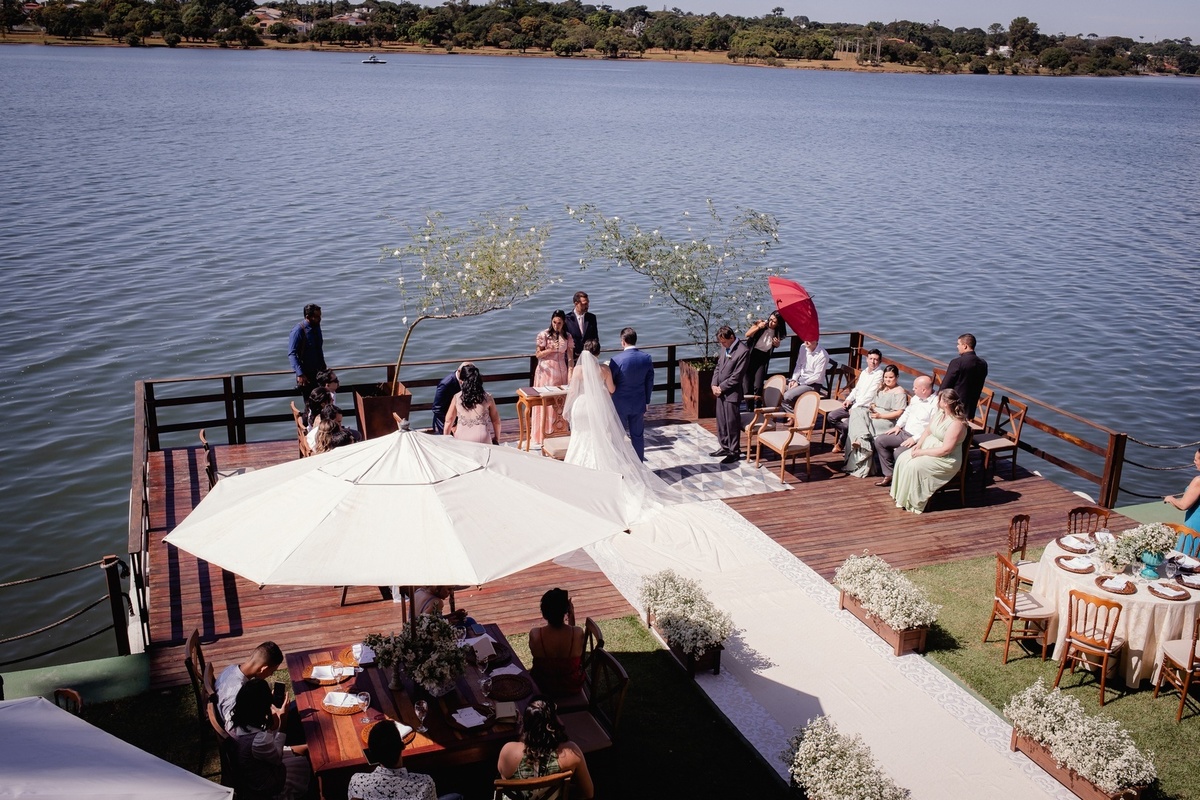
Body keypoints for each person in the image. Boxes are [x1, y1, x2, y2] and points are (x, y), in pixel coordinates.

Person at [564, 342, 675, 519]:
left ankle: (575, 480)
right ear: (598, 353)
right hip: (597, 408)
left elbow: (572, 392)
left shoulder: (577, 371)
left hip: (580, 407)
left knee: (578, 438)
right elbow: (612, 389)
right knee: (598, 439)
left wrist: (567, 410)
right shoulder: (604, 370)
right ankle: (601, 477)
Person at [496, 697, 594, 800]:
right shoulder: (571, 753)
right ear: (553, 724)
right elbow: (588, 793)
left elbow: (504, 781)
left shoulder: (508, 751)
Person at [229, 678, 311, 800]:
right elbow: (277, 758)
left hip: (254, 769)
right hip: (266, 782)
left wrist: (272, 718)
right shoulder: (258, 740)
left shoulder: (236, 722)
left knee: (305, 753)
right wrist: (283, 722)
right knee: (305, 765)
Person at [890, 388, 969, 514]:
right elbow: (927, 430)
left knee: (914, 466)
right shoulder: (940, 413)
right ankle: (902, 496)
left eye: (940, 400)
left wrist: (921, 453)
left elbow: (946, 449)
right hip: (928, 449)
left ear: (946, 403)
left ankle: (913, 500)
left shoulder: (956, 424)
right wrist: (918, 445)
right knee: (903, 458)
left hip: (945, 459)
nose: (937, 402)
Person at [349, 718, 461, 800]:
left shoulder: (357, 783)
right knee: (456, 796)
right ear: (403, 746)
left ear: (372, 752)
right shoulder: (425, 784)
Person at [873, 375, 938, 488]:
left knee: (899, 453)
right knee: (880, 441)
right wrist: (898, 426)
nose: (913, 389)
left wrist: (915, 439)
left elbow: (931, 428)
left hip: (919, 438)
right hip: (904, 432)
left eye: (915, 388)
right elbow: (907, 412)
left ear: (924, 390)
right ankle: (889, 474)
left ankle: (902, 482)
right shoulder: (915, 398)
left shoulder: (936, 404)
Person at [843, 365, 907, 478]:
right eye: (886, 377)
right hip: (874, 414)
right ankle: (862, 439)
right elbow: (874, 403)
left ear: (897, 377)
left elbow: (899, 412)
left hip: (886, 420)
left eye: (891, 377)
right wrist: (872, 407)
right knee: (856, 411)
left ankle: (862, 442)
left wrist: (881, 415)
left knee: (854, 424)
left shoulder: (899, 391)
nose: (888, 380)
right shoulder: (882, 388)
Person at [529, 588, 585, 700]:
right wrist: (571, 615)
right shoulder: (577, 633)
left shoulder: (536, 634)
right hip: (571, 687)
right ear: (566, 610)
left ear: (544, 613)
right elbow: (571, 632)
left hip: (543, 688)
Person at [609, 327, 655, 462]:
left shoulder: (616, 360)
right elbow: (649, 382)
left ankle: (619, 463)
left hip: (620, 403)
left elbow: (612, 381)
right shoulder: (646, 358)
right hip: (639, 402)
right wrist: (647, 401)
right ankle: (639, 464)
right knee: (638, 436)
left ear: (623, 341)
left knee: (618, 436)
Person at [216, 641, 284, 731]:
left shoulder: (230, 669)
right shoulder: (238, 693)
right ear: (263, 669)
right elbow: (236, 727)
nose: (271, 675)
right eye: (272, 671)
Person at [826, 349, 884, 453]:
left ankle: (841, 442)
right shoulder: (865, 372)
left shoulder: (879, 374)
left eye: (875, 359)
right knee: (831, 417)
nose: (873, 362)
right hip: (855, 404)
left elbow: (870, 395)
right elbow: (856, 389)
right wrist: (849, 399)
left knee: (847, 425)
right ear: (867, 359)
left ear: (880, 361)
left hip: (865, 407)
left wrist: (854, 407)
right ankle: (848, 434)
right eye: (871, 358)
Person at [531, 310, 576, 445]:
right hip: (546, 371)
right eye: (554, 322)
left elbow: (570, 358)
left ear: (564, 323)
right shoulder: (544, 335)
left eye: (559, 323)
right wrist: (550, 349)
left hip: (561, 370)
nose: (556, 325)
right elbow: (538, 354)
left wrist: (570, 372)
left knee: (560, 401)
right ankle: (542, 433)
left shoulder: (567, 336)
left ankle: (558, 432)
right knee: (546, 401)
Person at [711, 325, 749, 464]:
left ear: (732, 337)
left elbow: (737, 376)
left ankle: (734, 451)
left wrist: (721, 387)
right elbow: (718, 367)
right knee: (721, 420)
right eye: (721, 342)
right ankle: (724, 446)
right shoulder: (724, 347)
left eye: (724, 342)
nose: (722, 344)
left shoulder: (743, 351)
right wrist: (714, 384)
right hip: (720, 391)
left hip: (732, 393)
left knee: (731, 422)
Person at [444, 364, 501, 445]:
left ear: (461, 381)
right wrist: (496, 438)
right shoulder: (488, 397)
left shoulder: (456, 397)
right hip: (482, 438)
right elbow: (496, 421)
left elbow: (448, 421)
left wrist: (445, 441)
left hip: (461, 438)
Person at [742, 312, 786, 408]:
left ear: (778, 324)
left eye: (774, 322)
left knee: (758, 384)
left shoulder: (777, 332)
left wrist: (777, 345)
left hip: (763, 357)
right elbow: (747, 334)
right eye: (770, 319)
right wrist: (758, 327)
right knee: (747, 383)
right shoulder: (761, 323)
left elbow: (775, 343)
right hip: (751, 355)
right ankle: (750, 407)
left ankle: (758, 405)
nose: (770, 322)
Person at [940, 333, 988, 419]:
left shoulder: (957, 362)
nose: (957, 346)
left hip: (954, 407)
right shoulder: (983, 363)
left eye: (958, 344)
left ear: (965, 346)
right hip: (971, 407)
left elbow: (945, 386)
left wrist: (938, 400)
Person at [288, 304, 326, 391]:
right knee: (311, 399)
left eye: (320, 316)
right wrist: (300, 374)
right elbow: (292, 354)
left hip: (320, 372)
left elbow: (318, 348)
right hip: (306, 375)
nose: (320, 319)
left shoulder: (316, 326)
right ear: (308, 317)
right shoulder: (298, 331)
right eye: (317, 316)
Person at [783, 338, 830, 408]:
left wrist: (799, 384)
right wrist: (794, 379)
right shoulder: (803, 347)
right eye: (805, 338)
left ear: (816, 340)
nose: (806, 341)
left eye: (810, 339)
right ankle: (792, 409)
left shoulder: (823, 355)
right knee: (780, 386)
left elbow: (817, 377)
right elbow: (799, 365)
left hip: (812, 384)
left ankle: (794, 414)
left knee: (787, 396)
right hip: (801, 379)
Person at [1164, 448, 1200, 530]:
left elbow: (1183, 506)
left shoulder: (1198, 481)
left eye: (1196, 460)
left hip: (1195, 526)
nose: (1194, 462)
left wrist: (1170, 499)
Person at [430, 363, 467, 435]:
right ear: (459, 371)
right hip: (444, 418)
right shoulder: (445, 384)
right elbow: (437, 408)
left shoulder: (467, 380)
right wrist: (453, 424)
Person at [563, 291, 599, 360]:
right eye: (585, 304)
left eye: (588, 303)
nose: (587, 306)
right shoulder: (566, 319)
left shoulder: (592, 318)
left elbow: (595, 337)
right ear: (576, 304)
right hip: (571, 358)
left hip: (588, 357)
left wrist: (594, 352)